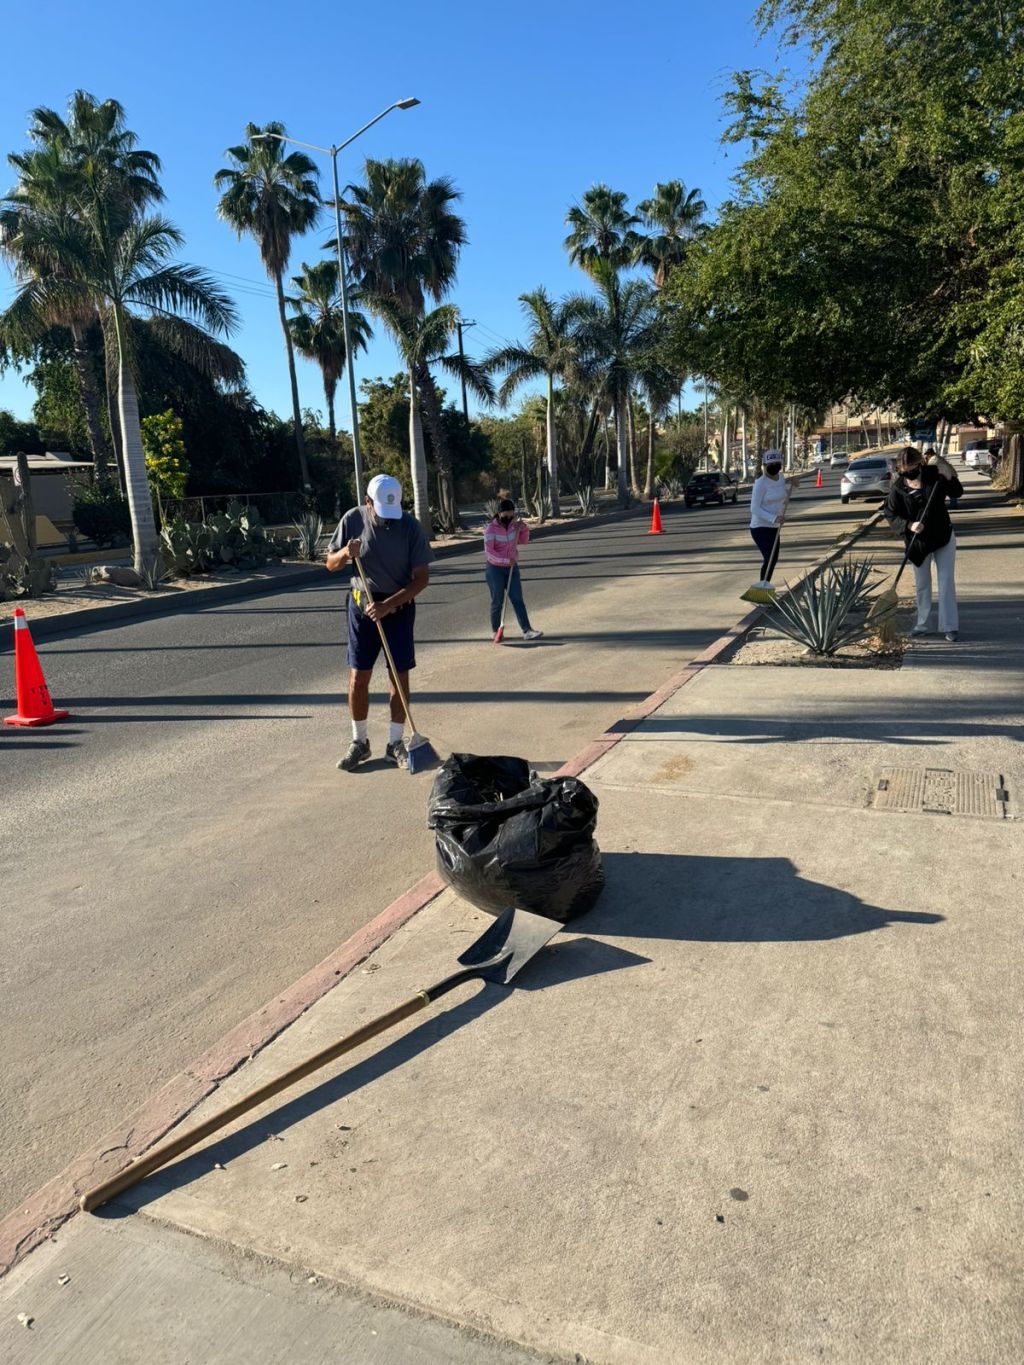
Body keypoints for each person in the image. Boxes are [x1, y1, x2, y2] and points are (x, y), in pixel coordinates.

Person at [326, 474, 434, 770]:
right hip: (362, 607)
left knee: (399, 677)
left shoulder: (410, 526)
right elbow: (330, 564)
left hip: (397, 607)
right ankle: (359, 743)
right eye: (380, 509)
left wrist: (389, 604)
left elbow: (422, 578)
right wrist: (346, 553)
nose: (389, 518)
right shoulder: (352, 519)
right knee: (358, 676)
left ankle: (395, 742)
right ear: (367, 502)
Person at [884, 446, 963, 641]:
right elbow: (890, 514)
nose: (908, 472)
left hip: (942, 536)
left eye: (911, 467)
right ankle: (922, 624)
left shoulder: (934, 475)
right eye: (903, 470)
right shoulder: (898, 488)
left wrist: (950, 476)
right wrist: (909, 525)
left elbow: (957, 492)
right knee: (922, 584)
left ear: (920, 464)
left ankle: (950, 626)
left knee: (945, 582)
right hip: (917, 543)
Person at [483, 498, 543, 640]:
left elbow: (524, 541)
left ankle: (527, 630)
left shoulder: (513, 526)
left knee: (517, 599)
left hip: (511, 568)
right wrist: (505, 560)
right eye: (506, 515)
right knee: (497, 601)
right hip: (495, 569)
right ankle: (495, 631)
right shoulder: (490, 529)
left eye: (512, 514)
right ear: (499, 513)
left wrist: (524, 529)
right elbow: (489, 552)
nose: (509, 517)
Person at [749, 450, 799, 582]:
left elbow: (781, 497)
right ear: (764, 466)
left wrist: (791, 487)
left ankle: (765, 585)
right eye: (771, 465)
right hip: (760, 527)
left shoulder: (781, 478)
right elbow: (754, 508)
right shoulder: (760, 483)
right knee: (769, 557)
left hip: (774, 527)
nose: (774, 467)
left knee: (774, 558)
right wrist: (774, 518)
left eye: (777, 464)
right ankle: (762, 586)